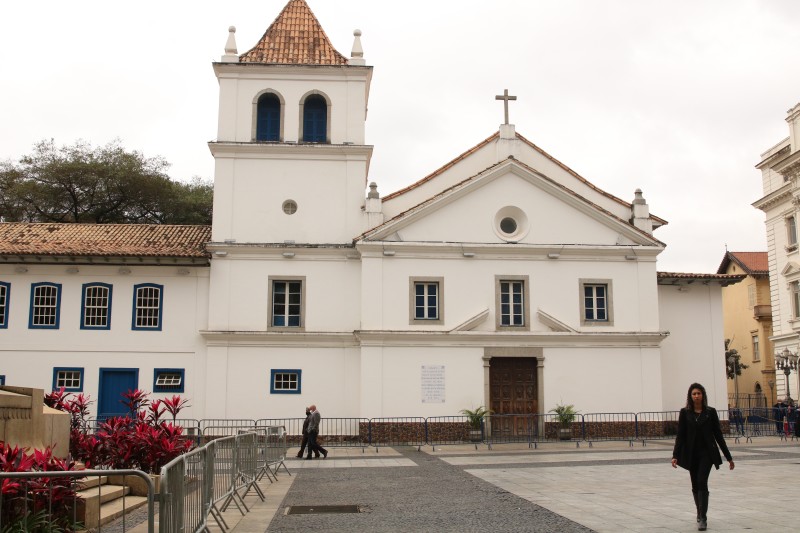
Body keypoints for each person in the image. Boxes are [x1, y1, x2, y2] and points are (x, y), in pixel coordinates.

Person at [672, 383, 734, 531]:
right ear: (690, 396)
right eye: (694, 394)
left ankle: (703, 518)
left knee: (701, 480)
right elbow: (680, 436)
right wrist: (675, 455)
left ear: (703, 395)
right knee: (695, 484)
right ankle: (699, 513)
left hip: (707, 453)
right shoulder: (685, 413)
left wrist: (729, 457)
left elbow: (718, 435)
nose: (696, 396)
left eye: (699, 393)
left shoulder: (710, 413)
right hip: (691, 453)